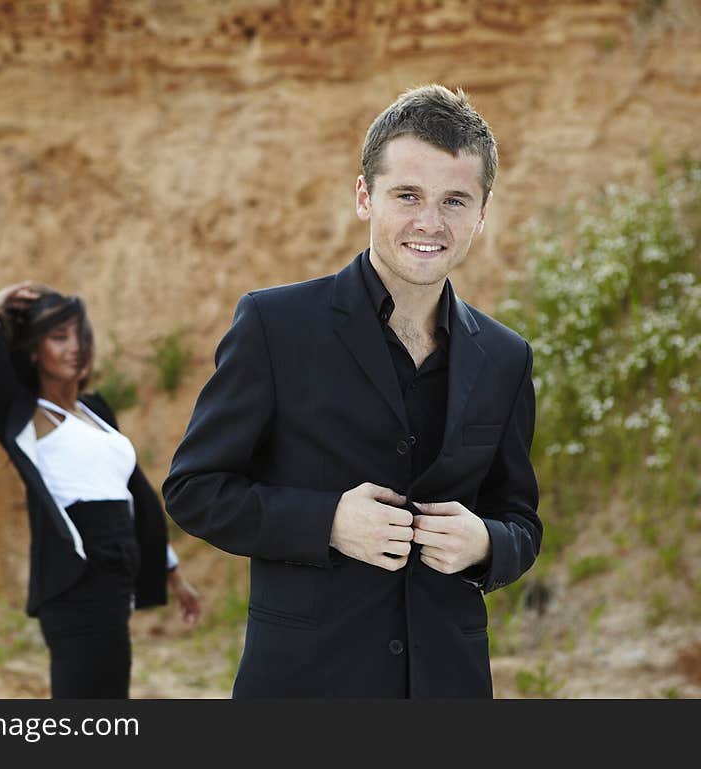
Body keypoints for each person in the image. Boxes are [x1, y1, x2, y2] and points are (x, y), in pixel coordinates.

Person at [162, 85, 541, 698]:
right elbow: (195, 490)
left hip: (448, 687)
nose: (430, 222)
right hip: (303, 687)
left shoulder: (506, 356)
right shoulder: (274, 325)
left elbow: (520, 519)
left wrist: (487, 543)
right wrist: (327, 522)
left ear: (482, 212)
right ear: (365, 197)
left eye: (454, 200)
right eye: (408, 195)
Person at [0, 282, 201, 698]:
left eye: (80, 335)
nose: (75, 347)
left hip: (115, 581)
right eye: (59, 338)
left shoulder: (97, 411)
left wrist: (176, 577)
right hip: (76, 580)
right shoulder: (24, 414)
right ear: (35, 351)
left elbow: (135, 495)